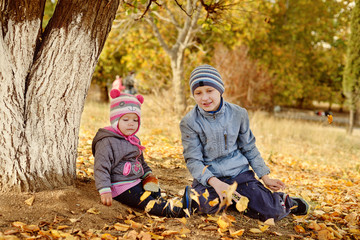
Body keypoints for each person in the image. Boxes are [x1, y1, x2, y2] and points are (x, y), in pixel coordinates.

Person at [179, 65, 309, 221]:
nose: (204, 98)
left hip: (239, 175)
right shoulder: (189, 122)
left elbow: (249, 148)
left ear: (220, 90)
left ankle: (285, 201)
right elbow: (193, 160)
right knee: (202, 205)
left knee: (270, 212)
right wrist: (215, 183)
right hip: (210, 178)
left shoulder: (238, 114)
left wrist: (265, 177)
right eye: (198, 93)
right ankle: (214, 197)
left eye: (209, 91)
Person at [92, 79, 192, 217]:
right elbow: (101, 167)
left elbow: (140, 161)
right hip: (120, 187)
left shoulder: (134, 139)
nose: (131, 124)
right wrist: (104, 189)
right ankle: (175, 212)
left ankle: (166, 203)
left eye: (135, 120)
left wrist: (147, 174)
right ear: (115, 121)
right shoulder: (107, 141)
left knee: (154, 191)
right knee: (144, 201)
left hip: (136, 181)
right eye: (125, 120)